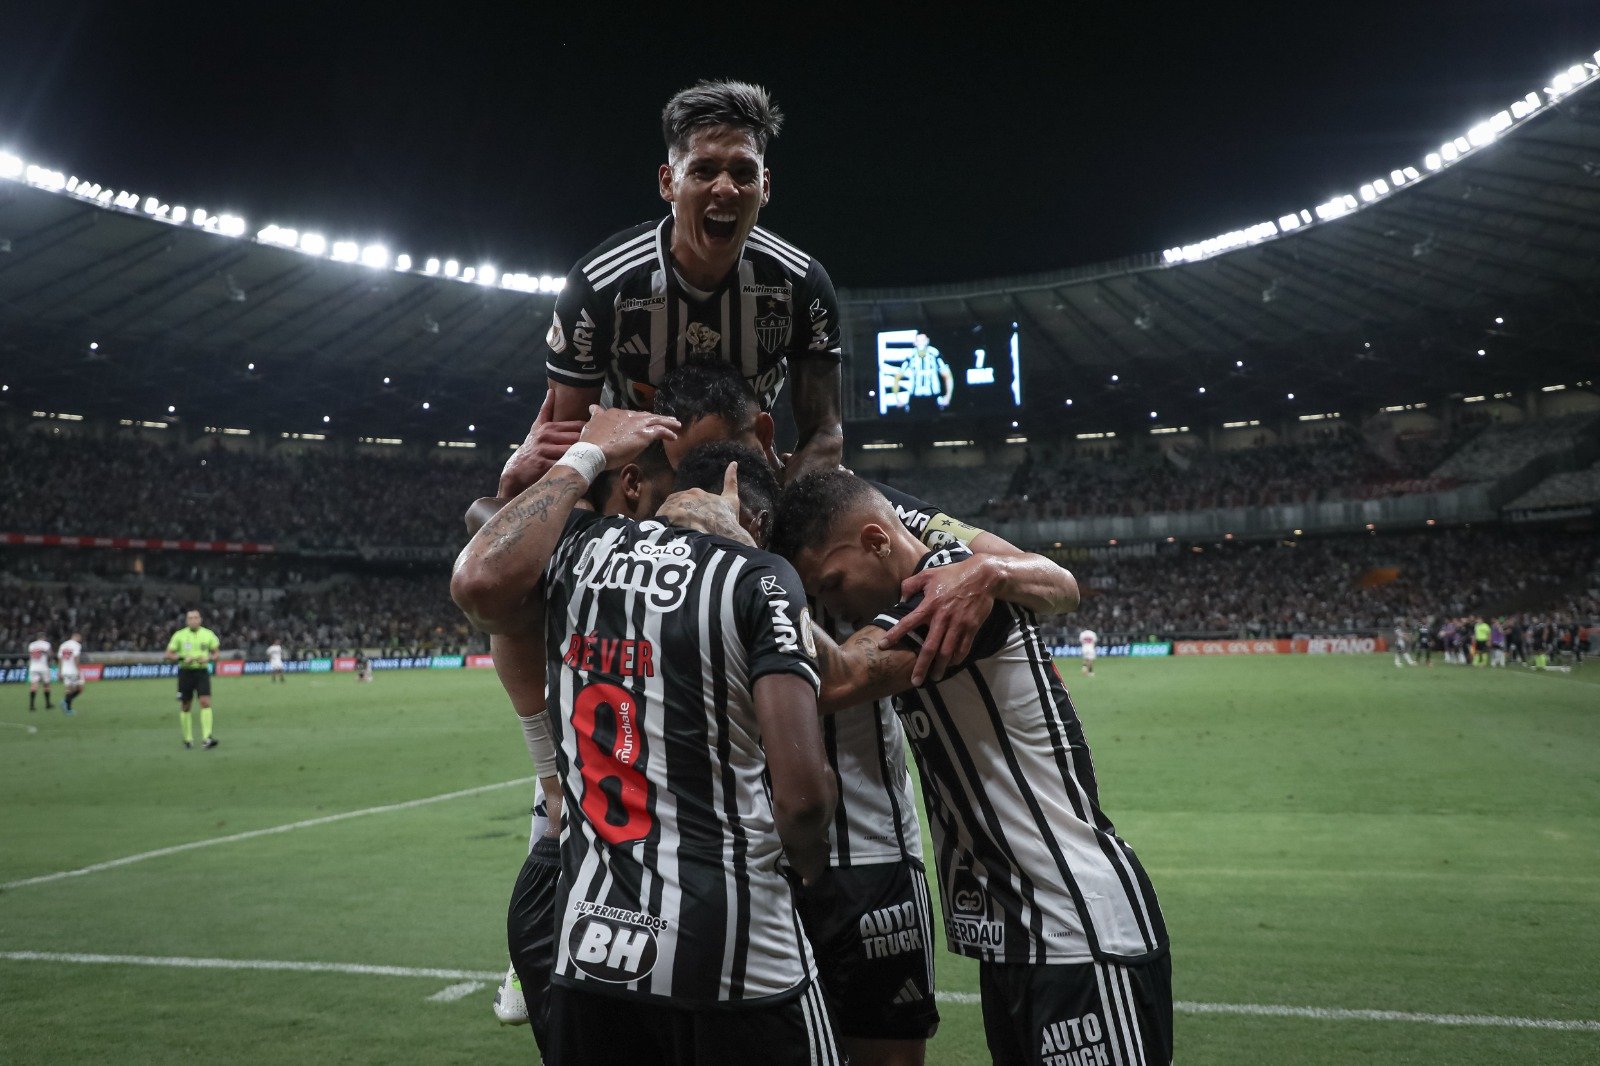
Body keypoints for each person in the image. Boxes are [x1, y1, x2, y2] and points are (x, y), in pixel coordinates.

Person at [652, 361, 1081, 1066]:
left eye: (716, 447)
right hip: (745, 855)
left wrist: (989, 570)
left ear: (762, 435)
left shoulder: (858, 509)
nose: (700, 472)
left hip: (869, 852)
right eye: (681, 461)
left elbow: (1057, 585)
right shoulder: (670, 528)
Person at [452, 413, 844, 1066]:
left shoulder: (576, 555)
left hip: (592, 947)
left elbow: (483, 559)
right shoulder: (757, 575)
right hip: (734, 945)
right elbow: (803, 798)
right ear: (729, 491)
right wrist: (809, 862)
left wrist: (570, 461)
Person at [774, 471, 1171, 1066]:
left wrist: (740, 571)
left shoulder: (952, 596)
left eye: (831, 583)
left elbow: (836, 678)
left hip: (1076, 928)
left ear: (878, 542)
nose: (832, 605)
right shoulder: (950, 578)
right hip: (1018, 936)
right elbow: (1058, 583)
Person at [165, 609, 220, 749]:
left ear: (200, 619)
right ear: (186, 620)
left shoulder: (208, 634)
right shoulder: (179, 635)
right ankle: (188, 739)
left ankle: (207, 738)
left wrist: (208, 658)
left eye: (196, 618)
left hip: (202, 672)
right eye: (190, 618)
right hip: (185, 672)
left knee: (205, 702)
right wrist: (183, 658)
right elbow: (169, 654)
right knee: (185, 705)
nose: (193, 620)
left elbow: (216, 654)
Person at [890, 333, 953, 417]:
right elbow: (897, 377)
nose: (921, 343)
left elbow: (947, 376)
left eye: (923, 340)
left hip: (933, 398)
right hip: (915, 398)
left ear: (927, 341)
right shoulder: (910, 356)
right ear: (914, 343)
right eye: (918, 341)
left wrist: (948, 396)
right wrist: (897, 398)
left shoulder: (934, 354)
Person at [58, 632, 84, 715]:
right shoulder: (76, 645)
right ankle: (67, 705)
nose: (80, 640)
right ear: (76, 637)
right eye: (80, 638)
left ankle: (66, 705)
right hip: (73, 670)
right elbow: (76, 657)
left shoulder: (63, 645)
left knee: (69, 689)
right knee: (80, 688)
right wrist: (78, 670)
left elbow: (60, 658)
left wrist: (59, 671)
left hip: (64, 670)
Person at [27, 632, 53, 711]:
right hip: (43, 667)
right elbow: (50, 655)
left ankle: (32, 705)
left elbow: (30, 656)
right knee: (46, 685)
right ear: (43, 637)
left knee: (33, 686)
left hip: (33, 667)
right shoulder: (46, 644)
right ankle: (47, 704)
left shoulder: (31, 645)